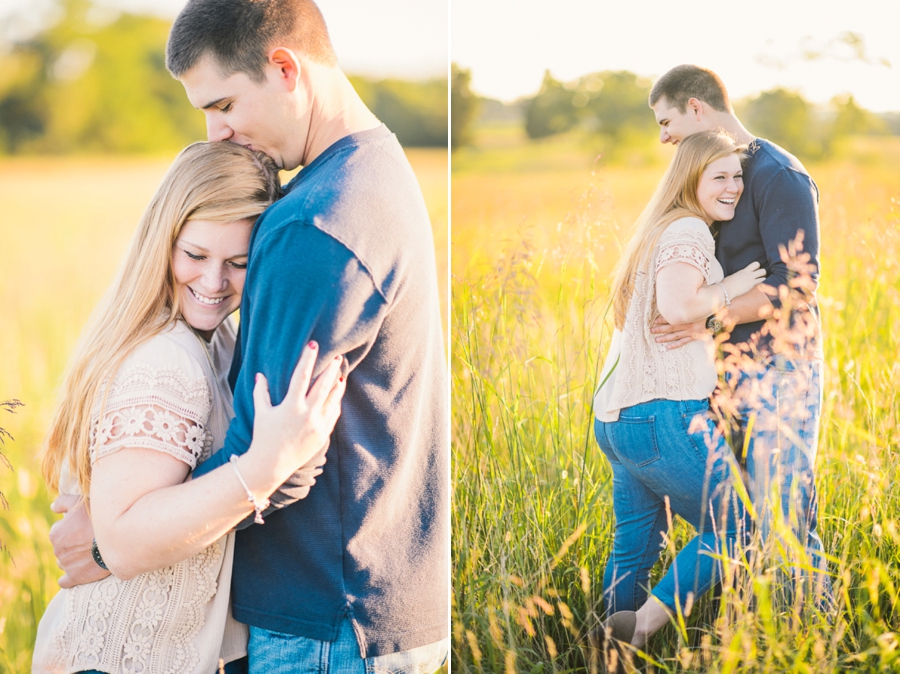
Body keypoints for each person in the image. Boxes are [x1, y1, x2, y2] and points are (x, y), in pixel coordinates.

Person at [49, 1, 449, 672]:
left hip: (325, 617)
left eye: (225, 103)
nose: (217, 133)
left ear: (285, 68)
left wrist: (112, 535)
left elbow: (279, 458)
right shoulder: (374, 172)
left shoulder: (313, 225)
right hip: (372, 597)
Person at [33, 141, 346, 674]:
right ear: (163, 240)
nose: (213, 282)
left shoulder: (214, 341)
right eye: (195, 255)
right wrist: (265, 467)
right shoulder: (166, 357)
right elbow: (125, 541)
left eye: (239, 263)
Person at [647, 65, 830, 610]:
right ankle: (741, 631)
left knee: (786, 517)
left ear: (697, 109)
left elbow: (796, 284)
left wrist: (707, 319)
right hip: (720, 374)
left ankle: (813, 639)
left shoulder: (779, 176)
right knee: (736, 517)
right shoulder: (708, 175)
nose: (663, 138)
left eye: (666, 121)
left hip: (779, 372)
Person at [590, 131, 764, 666]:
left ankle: (605, 653)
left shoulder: (658, 231)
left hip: (620, 418)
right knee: (739, 529)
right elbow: (678, 307)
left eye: (738, 176)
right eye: (720, 176)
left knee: (635, 548)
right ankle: (641, 626)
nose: (733, 187)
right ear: (690, 178)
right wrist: (732, 285)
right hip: (664, 415)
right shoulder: (689, 229)